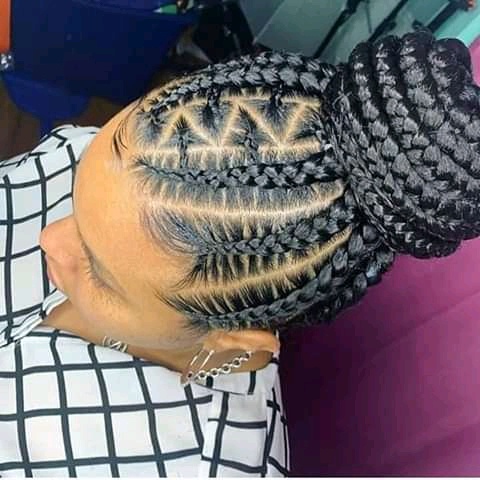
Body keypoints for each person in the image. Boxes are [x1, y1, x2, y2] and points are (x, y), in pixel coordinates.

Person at [1, 29, 480, 477]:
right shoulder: (84, 154)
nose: (49, 239)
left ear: (232, 343)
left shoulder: (198, 466)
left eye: (100, 274)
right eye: (76, 198)